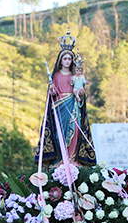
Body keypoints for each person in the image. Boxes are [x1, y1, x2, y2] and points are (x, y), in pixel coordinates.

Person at [34, 30, 96, 167]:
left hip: (73, 105)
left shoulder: (76, 77)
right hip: (59, 107)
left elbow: (81, 93)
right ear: (60, 60)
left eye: (69, 59)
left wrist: (81, 93)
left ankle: (72, 158)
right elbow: (52, 94)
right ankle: (60, 159)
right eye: (65, 58)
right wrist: (51, 90)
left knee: (75, 131)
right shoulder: (56, 75)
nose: (67, 61)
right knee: (59, 132)